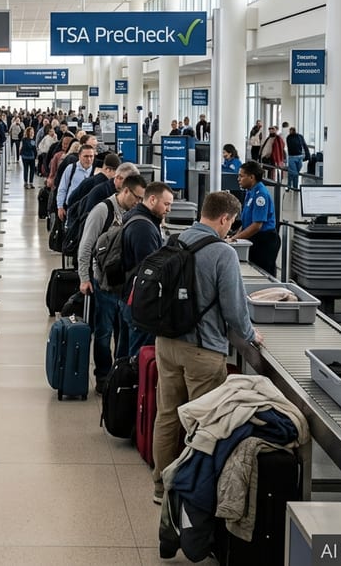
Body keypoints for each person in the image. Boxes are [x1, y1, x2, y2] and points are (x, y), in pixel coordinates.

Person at [152, 191, 261, 503]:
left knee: (167, 415)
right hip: (202, 350)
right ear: (224, 218)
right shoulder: (223, 253)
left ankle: (161, 486)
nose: (230, 229)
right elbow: (234, 310)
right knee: (204, 422)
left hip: (166, 343)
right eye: (232, 223)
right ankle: (191, 493)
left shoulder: (174, 240)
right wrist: (250, 334)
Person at [77, 175, 147, 391]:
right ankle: (103, 376)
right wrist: (84, 277)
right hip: (103, 284)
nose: (138, 202)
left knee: (122, 332)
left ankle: (118, 376)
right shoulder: (103, 210)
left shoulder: (135, 213)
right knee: (104, 331)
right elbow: (86, 245)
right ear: (125, 191)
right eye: (137, 197)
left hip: (123, 286)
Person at [119, 182, 174, 357]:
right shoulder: (144, 229)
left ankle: (121, 374)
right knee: (138, 357)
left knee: (124, 353)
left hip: (128, 297)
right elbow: (149, 272)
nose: (169, 209)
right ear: (152, 199)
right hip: (139, 303)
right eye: (166, 204)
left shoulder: (136, 217)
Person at [230, 161, 279, 276]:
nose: (238, 179)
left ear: (252, 177)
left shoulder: (260, 195)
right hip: (253, 237)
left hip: (264, 241)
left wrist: (235, 239)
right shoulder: (250, 191)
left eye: (241, 176)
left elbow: (257, 226)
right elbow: (246, 222)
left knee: (262, 275)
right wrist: (234, 236)